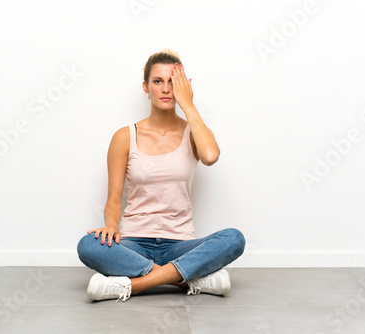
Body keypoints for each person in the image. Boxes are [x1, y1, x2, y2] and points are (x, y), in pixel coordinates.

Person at [76, 49, 245, 302]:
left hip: (180, 244)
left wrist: (187, 104)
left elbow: (210, 156)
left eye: (172, 82)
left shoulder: (193, 133)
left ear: (183, 87)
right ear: (145, 86)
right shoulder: (124, 136)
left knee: (234, 238)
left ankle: (132, 285)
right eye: (158, 81)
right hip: (134, 244)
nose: (166, 89)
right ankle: (188, 279)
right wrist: (111, 226)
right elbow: (113, 199)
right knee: (87, 245)